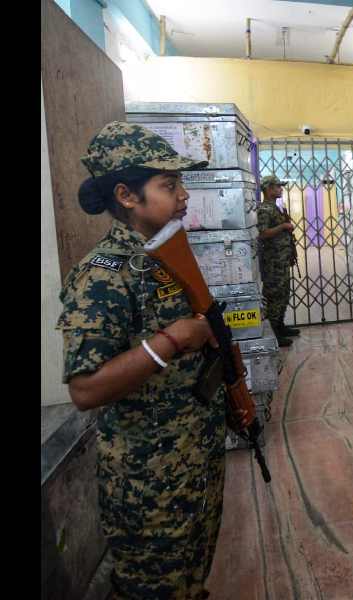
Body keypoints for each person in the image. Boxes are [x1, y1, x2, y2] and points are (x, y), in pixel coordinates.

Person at [56, 121, 227, 599]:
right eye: (169, 186)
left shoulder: (162, 257)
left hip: (194, 455)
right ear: (126, 196)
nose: (184, 196)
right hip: (149, 480)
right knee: (151, 587)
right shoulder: (103, 275)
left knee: (192, 574)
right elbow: (85, 389)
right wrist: (174, 339)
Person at [256, 174, 300, 347]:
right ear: (268, 189)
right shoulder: (265, 209)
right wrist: (283, 226)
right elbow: (262, 233)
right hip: (273, 263)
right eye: (277, 186)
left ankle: (280, 326)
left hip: (281, 260)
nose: (281, 189)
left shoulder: (275, 207)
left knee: (284, 294)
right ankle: (274, 332)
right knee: (275, 296)